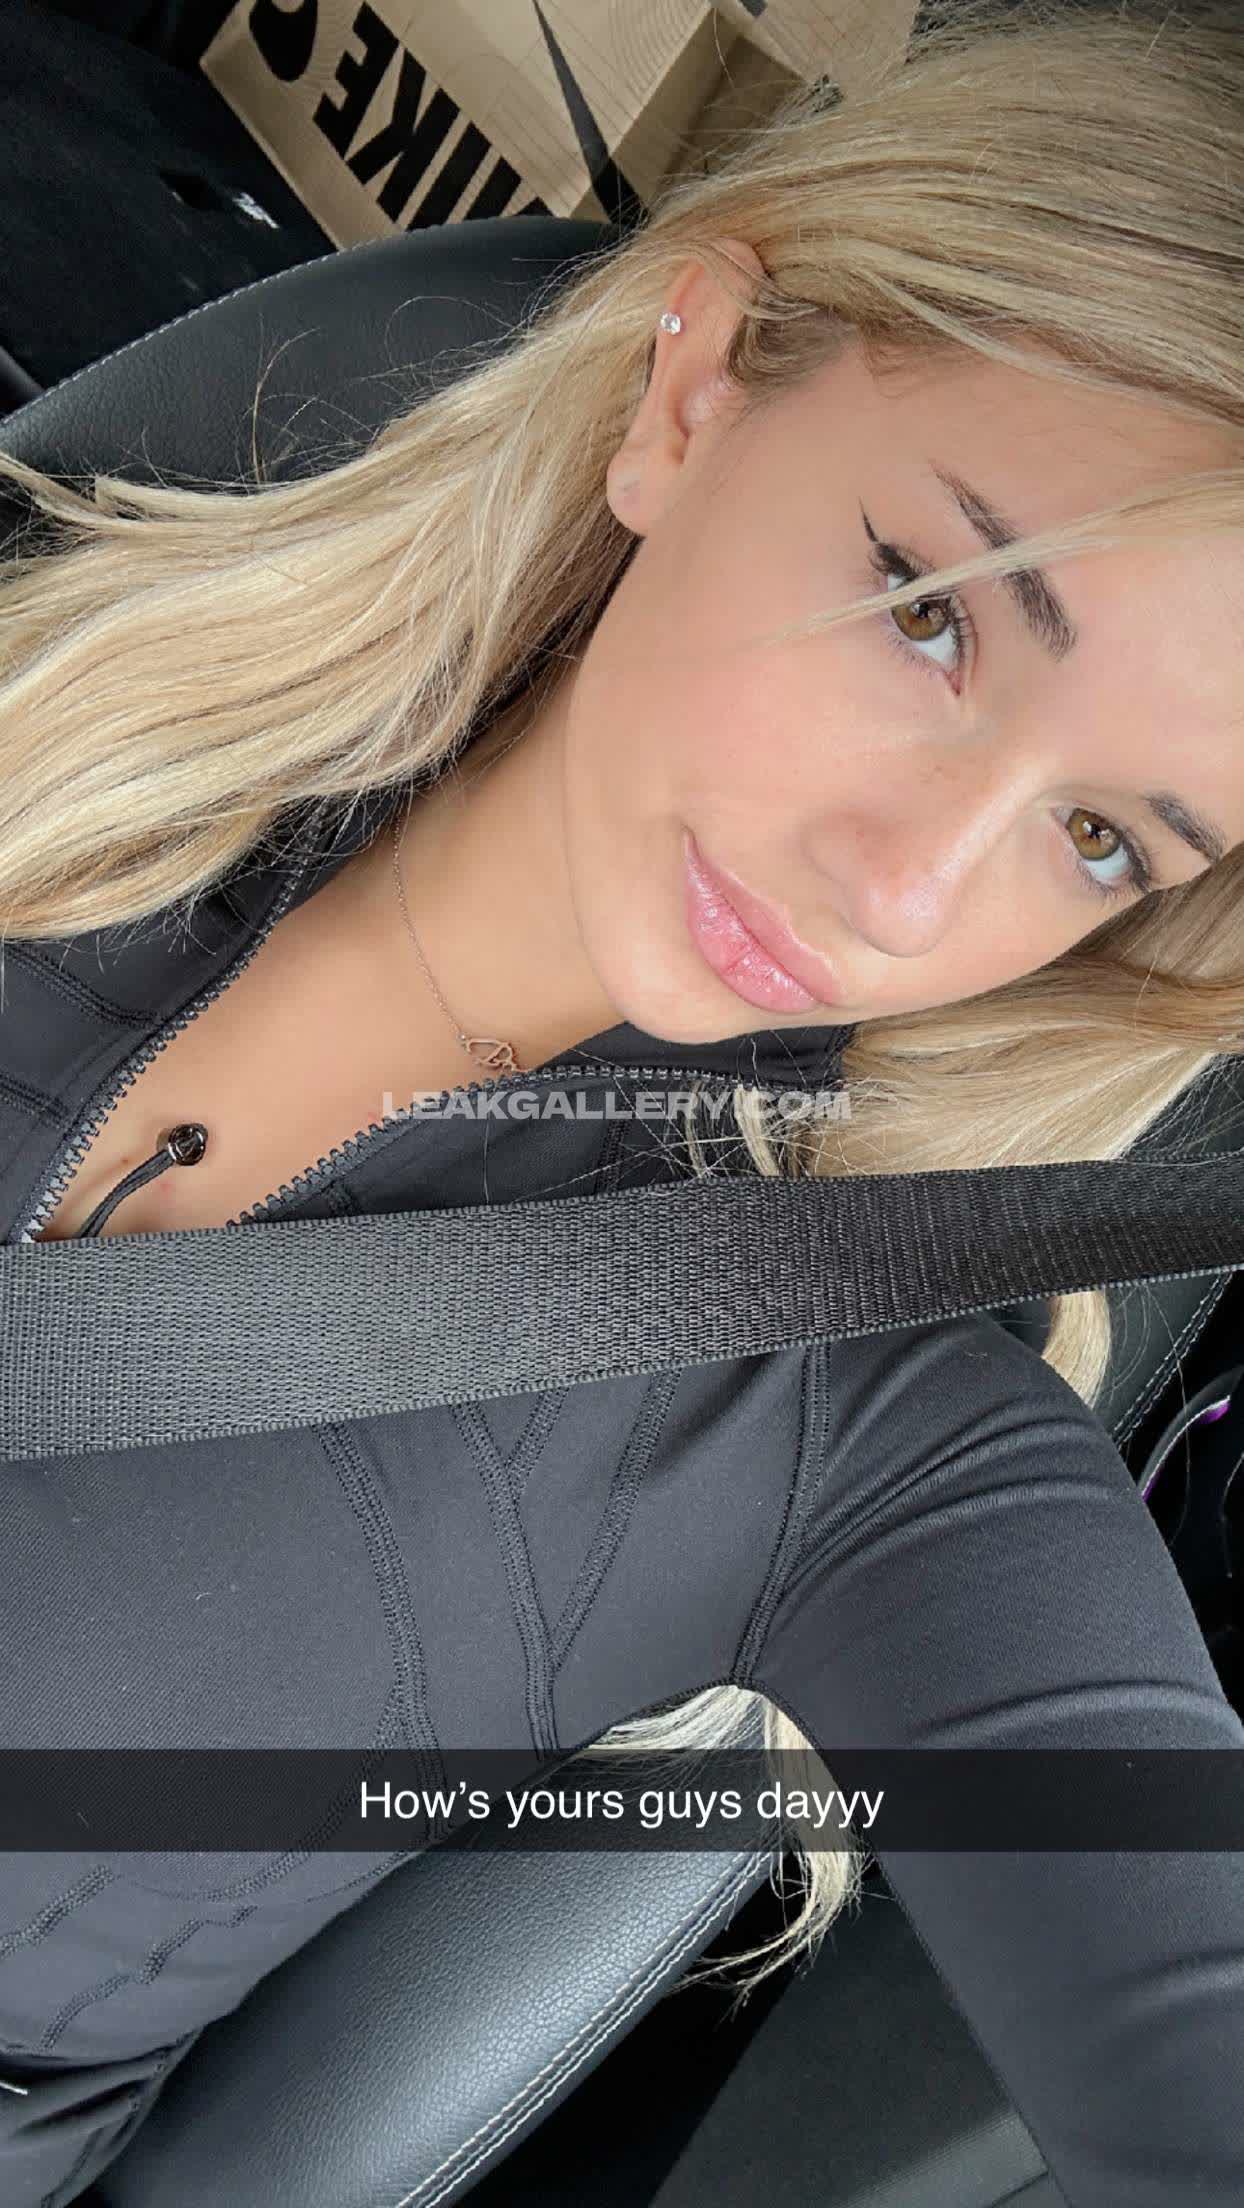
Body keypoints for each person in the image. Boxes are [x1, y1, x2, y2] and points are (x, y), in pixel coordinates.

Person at [1, 0, 1243, 2198]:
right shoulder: (54, 668)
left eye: (1097, 841)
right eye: (934, 615)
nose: (906, 891)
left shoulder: (836, 1425)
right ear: (695, 391)